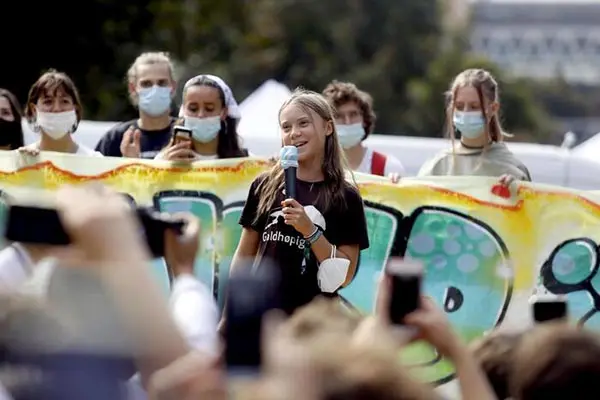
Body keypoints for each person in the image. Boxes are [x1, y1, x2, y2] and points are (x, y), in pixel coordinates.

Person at [228, 89, 369, 316]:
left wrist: (311, 232)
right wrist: (230, 314)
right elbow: (244, 257)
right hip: (264, 315)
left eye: (304, 123)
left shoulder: (346, 196)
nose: (294, 133)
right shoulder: (265, 185)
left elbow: (346, 275)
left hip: (315, 323)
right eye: (286, 127)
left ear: (327, 127)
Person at [418, 68, 531, 186]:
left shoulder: (512, 170)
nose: (466, 113)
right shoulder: (437, 166)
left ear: (493, 109)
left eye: (474, 106)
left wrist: (517, 192)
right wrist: (398, 185)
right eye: (460, 106)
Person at [95, 52, 176, 159]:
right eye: (146, 84)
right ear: (133, 89)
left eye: (162, 83)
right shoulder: (115, 139)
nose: (155, 89)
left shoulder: (186, 134)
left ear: (173, 87)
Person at [155, 74, 248, 161]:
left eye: (209, 109)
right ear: (183, 111)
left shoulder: (246, 163)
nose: (201, 115)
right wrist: (164, 170)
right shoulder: (164, 161)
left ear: (223, 112)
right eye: (193, 109)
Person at [322, 80, 404, 178]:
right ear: (327, 125)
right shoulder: (315, 169)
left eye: (353, 114)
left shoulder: (388, 167)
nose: (347, 122)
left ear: (364, 120)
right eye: (339, 116)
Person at [19, 70, 100, 156]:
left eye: (64, 101)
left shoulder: (95, 161)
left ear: (75, 110)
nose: (57, 109)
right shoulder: (22, 159)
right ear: (34, 110)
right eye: (48, 102)